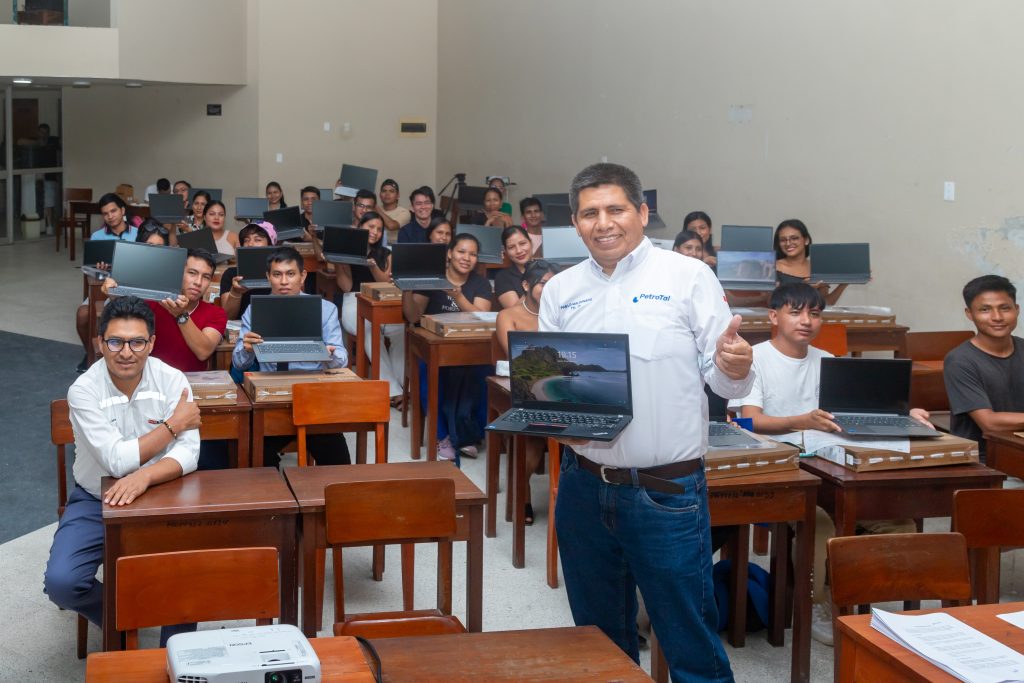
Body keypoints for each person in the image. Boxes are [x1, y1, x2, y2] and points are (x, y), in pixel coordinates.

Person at [538, 163, 753, 682]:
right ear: (575, 222)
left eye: (615, 209)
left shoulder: (687, 277)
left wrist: (735, 367)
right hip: (583, 488)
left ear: (642, 213)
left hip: (666, 492)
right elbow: (547, 387)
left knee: (689, 639)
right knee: (596, 644)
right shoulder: (560, 290)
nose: (603, 223)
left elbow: (724, 380)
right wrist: (545, 413)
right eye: (589, 213)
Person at [728, 282, 923, 646]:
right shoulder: (756, 359)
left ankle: (862, 600)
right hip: (782, 470)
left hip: (831, 462)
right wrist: (799, 420)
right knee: (819, 523)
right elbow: (747, 422)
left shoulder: (829, 361)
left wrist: (907, 412)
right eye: (795, 312)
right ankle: (816, 604)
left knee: (897, 520)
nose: (806, 321)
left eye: (814, 314)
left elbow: (860, 410)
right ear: (774, 316)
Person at [44, 296, 202, 646]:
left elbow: (190, 453)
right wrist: (174, 424)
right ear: (100, 344)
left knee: (189, 572)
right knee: (61, 583)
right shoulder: (83, 389)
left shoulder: (173, 380)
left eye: (137, 342)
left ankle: (174, 653)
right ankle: (123, 619)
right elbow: (116, 460)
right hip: (97, 497)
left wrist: (145, 475)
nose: (126, 352)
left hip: (164, 492)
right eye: (115, 341)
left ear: (152, 344)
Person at [232, 246, 351, 467]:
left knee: (338, 461)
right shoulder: (254, 310)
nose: (284, 281)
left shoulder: (325, 309)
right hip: (271, 397)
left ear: (303, 276)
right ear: (268, 277)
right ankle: (280, 497)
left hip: (313, 395)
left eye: (290, 274)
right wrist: (246, 349)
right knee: (254, 455)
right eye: (277, 275)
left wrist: (327, 354)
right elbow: (238, 363)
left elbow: (342, 358)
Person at [402, 234, 493, 461]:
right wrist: (406, 290)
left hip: (469, 348)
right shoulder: (433, 279)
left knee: (484, 374)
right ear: (450, 253)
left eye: (472, 254)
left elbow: (482, 317)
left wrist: (459, 296)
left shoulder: (480, 282)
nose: (466, 258)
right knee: (428, 375)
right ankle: (442, 437)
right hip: (435, 346)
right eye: (461, 252)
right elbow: (413, 316)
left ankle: (467, 433)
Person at [496, 259, 559, 524]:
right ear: (526, 284)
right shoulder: (508, 315)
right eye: (544, 283)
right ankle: (523, 495)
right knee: (532, 442)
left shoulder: (560, 312)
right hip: (523, 386)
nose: (550, 288)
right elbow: (515, 356)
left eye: (554, 283)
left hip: (556, 386)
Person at [319, 212, 405, 403]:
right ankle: (393, 390)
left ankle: (405, 386)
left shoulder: (386, 254)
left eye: (379, 229)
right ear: (360, 227)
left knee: (401, 331)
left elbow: (388, 284)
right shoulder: (348, 252)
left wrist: (373, 265)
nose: (375, 232)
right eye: (370, 227)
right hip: (355, 301)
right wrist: (339, 261)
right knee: (368, 329)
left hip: (384, 302)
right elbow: (346, 286)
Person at [945, 275, 1024, 455]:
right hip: (985, 461)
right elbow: (989, 423)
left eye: (1005, 308)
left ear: (1017, 309)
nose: (997, 317)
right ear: (969, 314)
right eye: (985, 310)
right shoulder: (960, 360)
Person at [75, 193, 140, 372]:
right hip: (104, 286)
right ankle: (90, 353)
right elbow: (88, 269)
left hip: (132, 286)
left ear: (122, 210)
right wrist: (100, 269)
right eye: (105, 213)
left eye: (113, 211)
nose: (110, 216)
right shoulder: (97, 237)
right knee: (82, 314)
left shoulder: (138, 233)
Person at [773, 219, 847, 305]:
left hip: (812, 318)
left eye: (794, 238)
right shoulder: (773, 267)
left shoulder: (818, 268)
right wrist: (804, 288)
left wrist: (844, 283)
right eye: (783, 240)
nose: (788, 243)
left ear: (806, 240)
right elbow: (773, 303)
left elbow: (825, 304)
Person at [220, 222, 277, 320]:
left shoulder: (279, 274)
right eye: (246, 240)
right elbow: (227, 317)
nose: (250, 244)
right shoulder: (231, 274)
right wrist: (236, 292)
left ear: (270, 244)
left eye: (257, 240)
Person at [494, 226, 535, 308]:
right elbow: (515, 311)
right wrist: (535, 285)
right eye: (511, 247)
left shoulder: (547, 269)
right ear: (505, 251)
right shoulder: (503, 277)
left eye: (522, 243)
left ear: (531, 243)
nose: (519, 251)